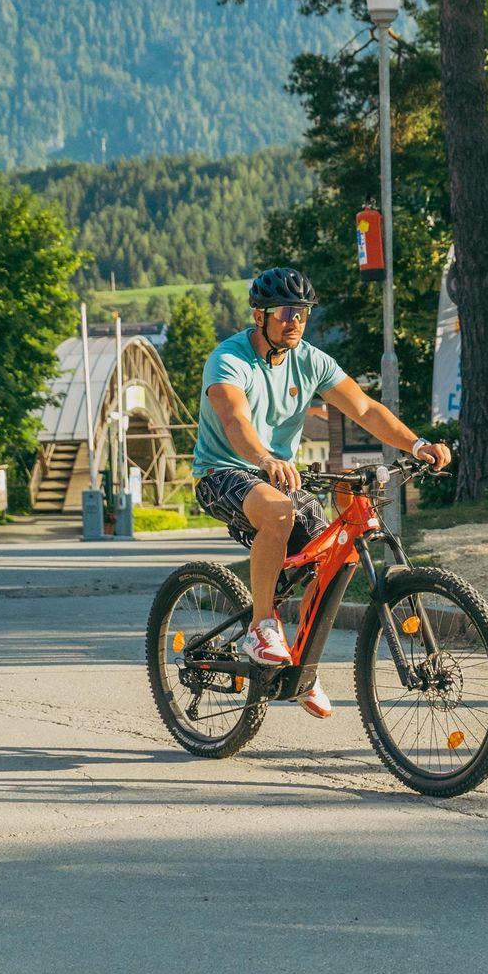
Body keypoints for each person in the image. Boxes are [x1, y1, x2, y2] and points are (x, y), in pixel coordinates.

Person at [190, 266, 451, 718]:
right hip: (224, 472)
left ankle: (301, 668)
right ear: (260, 316)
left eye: (303, 313)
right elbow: (235, 420)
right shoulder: (229, 359)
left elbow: (365, 408)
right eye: (285, 312)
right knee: (278, 512)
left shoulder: (311, 360)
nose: (295, 321)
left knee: (336, 557)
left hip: (281, 476)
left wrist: (417, 445)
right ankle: (262, 626)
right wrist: (265, 458)